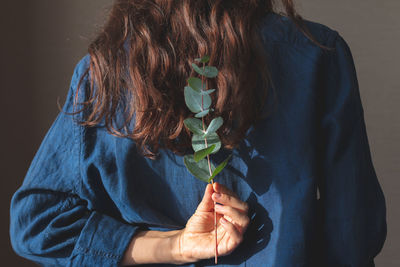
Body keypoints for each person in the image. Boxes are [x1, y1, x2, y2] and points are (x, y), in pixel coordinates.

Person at [10, 1, 387, 266]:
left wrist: (173, 247)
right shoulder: (316, 55)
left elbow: (38, 225)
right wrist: (185, 243)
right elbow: (353, 237)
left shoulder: (105, 72)